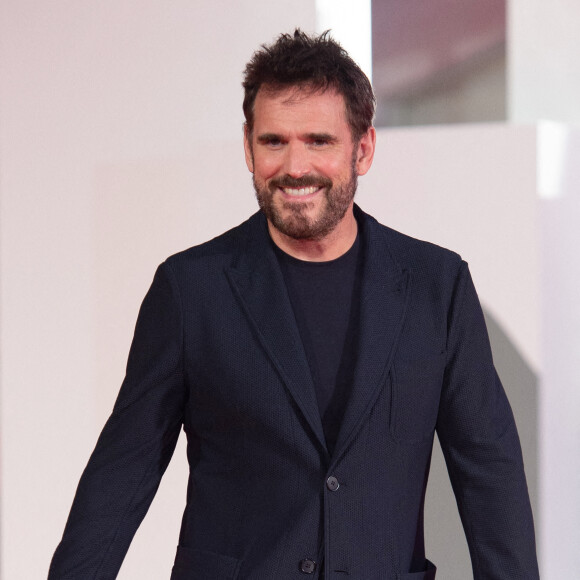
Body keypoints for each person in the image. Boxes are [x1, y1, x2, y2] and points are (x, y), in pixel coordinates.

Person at [49, 29, 539, 580]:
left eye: (319, 141)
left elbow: (489, 475)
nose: (294, 167)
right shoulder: (191, 290)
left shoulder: (435, 287)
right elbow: (124, 472)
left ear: (364, 149)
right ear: (248, 147)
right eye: (273, 141)